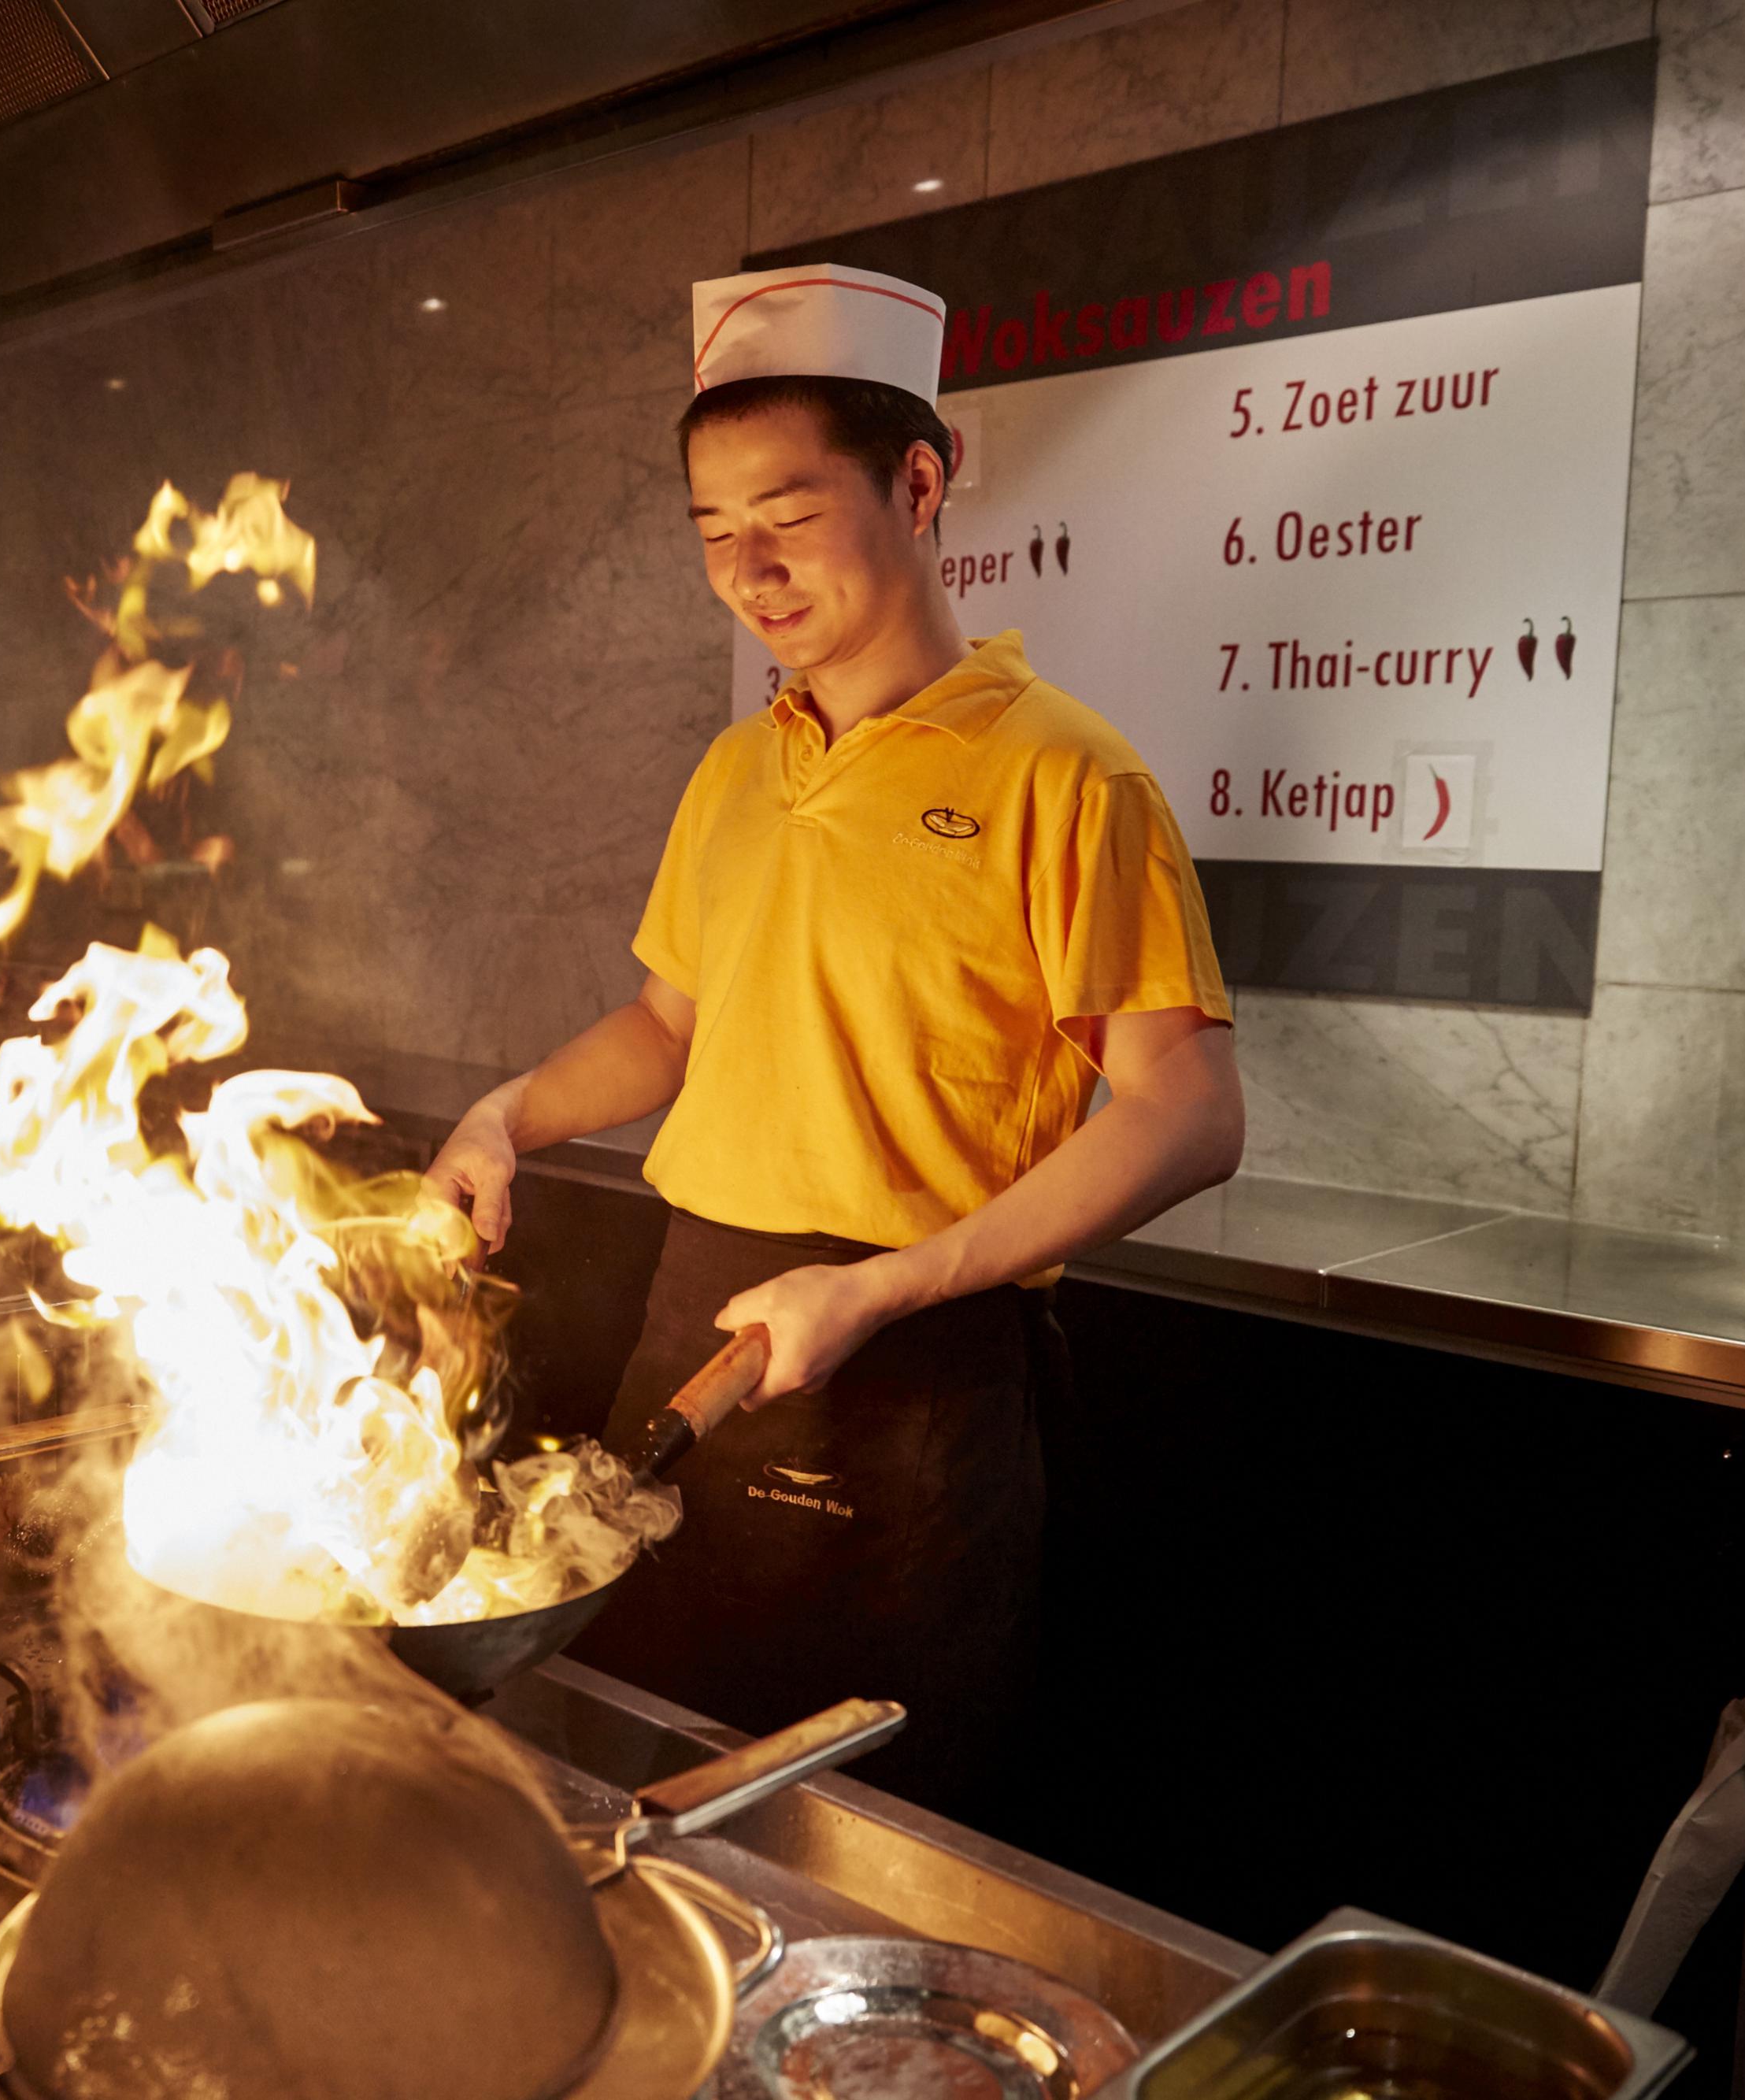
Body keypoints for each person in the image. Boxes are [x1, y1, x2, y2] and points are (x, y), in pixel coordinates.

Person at [424, 264, 1246, 1812]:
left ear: (918, 482)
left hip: (912, 1365)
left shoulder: (1066, 778)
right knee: (643, 1773)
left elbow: (1185, 1111)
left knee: (865, 1818)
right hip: (695, 1324)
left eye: (788, 516)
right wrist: (502, 1116)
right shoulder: (735, 769)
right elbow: (670, 1025)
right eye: (712, 531)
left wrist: (881, 1285)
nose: (748, 567)